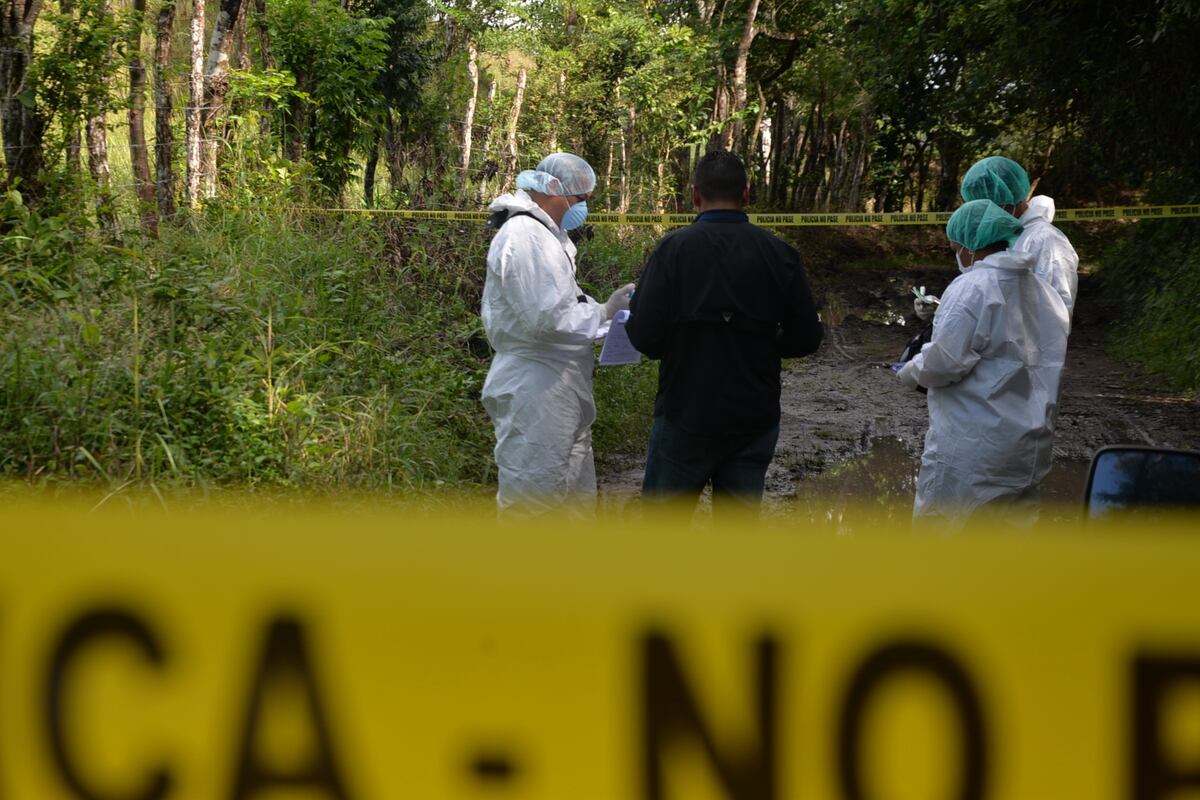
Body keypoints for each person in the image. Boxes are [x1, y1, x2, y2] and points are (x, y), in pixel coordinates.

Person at [626, 151, 823, 515]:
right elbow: (807, 337)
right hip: (754, 415)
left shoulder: (672, 250)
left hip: (686, 411)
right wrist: (764, 341)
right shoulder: (780, 254)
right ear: (746, 194)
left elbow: (644, 336)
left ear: (695, 195)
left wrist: (685, 342)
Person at [895, 199, 1070, 528]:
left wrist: (909, 370)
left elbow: (945, 361)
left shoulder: (971, 287)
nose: (956, 254)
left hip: (974, 449)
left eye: (954, 247)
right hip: (1028, 446)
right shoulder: (1043, 291)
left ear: (968, 247)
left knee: (949, 539)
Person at [480, 152, 636, 517]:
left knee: (572, 498)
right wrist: (602, 314)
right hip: (536, 388)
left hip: (559, 384)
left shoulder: (548, 236)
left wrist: (606, 317)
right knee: (533, 499)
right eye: (580, 199)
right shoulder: (525, 234)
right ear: (554, 190)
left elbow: (559, 307)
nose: (583, 207)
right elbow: (546, 319)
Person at [960, 156, 1080, 320]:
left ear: (1006, 198)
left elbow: (1055, 313)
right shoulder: (998, 235)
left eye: (987, 204)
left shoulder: (1045, 240)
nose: (982, 212)